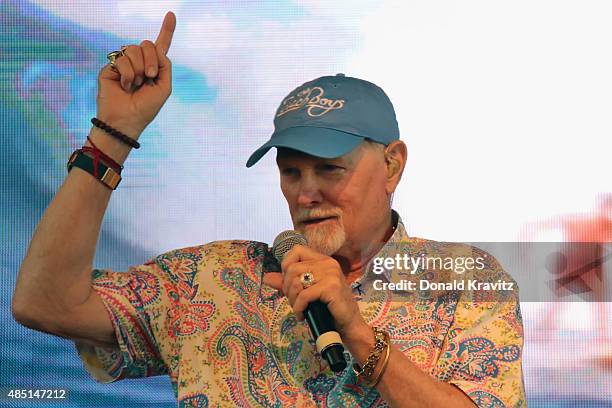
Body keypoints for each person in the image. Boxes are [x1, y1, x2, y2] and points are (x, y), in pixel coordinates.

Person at [12, 11, 525, 407]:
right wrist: (111, 140)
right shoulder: (209, 280)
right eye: (290, 171)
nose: (306, 193)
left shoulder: (465, 282)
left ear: (392, 165)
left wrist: (360, 338)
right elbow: (45, 304)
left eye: (330, 169)